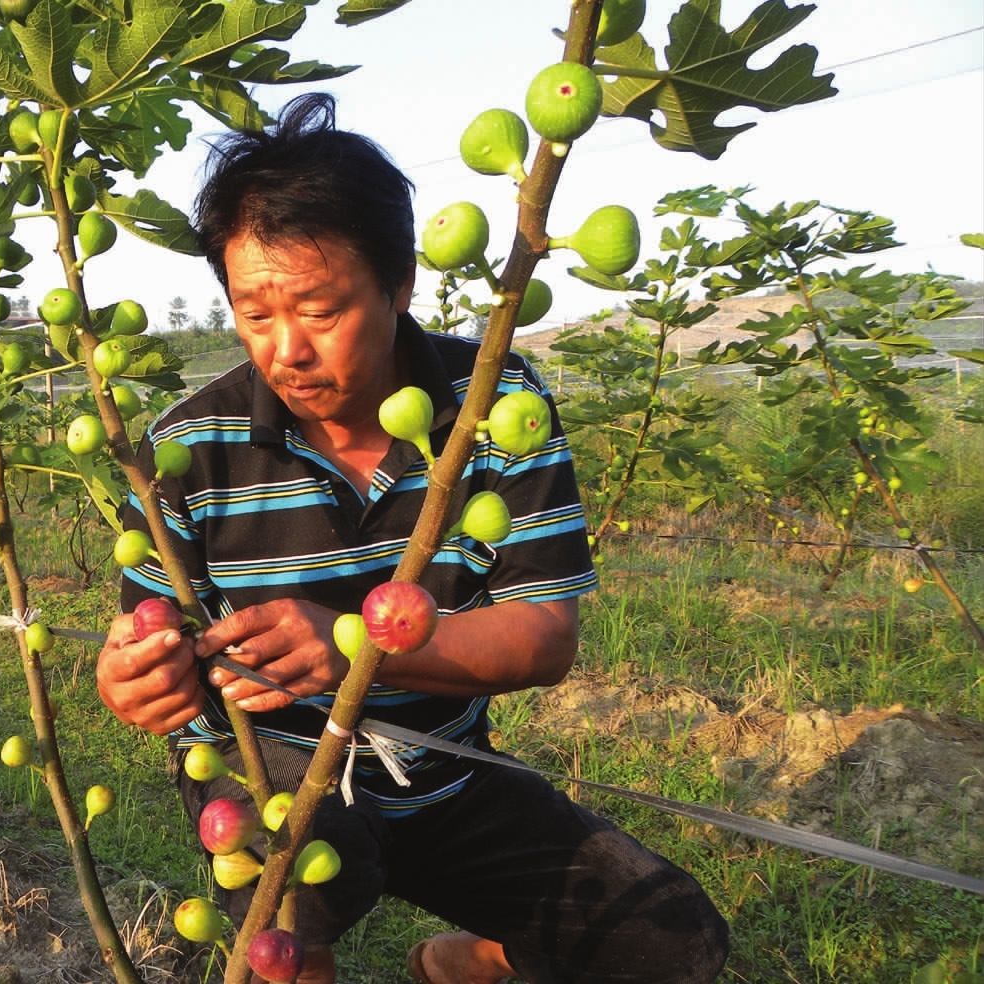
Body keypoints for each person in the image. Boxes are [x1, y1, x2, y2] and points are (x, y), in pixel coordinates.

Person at [95, 93, 728, 984]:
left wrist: (354, 651)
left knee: (666, 944)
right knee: (295, 893)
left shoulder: (492, 407)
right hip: (270, 772)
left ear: (399, 285)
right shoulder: (185, 448)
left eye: (318, 310)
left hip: (439, 767)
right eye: (254, 314)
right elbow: (150, 634)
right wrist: (133, 674)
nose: (287, 351)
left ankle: (461, 963)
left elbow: (543, 639)